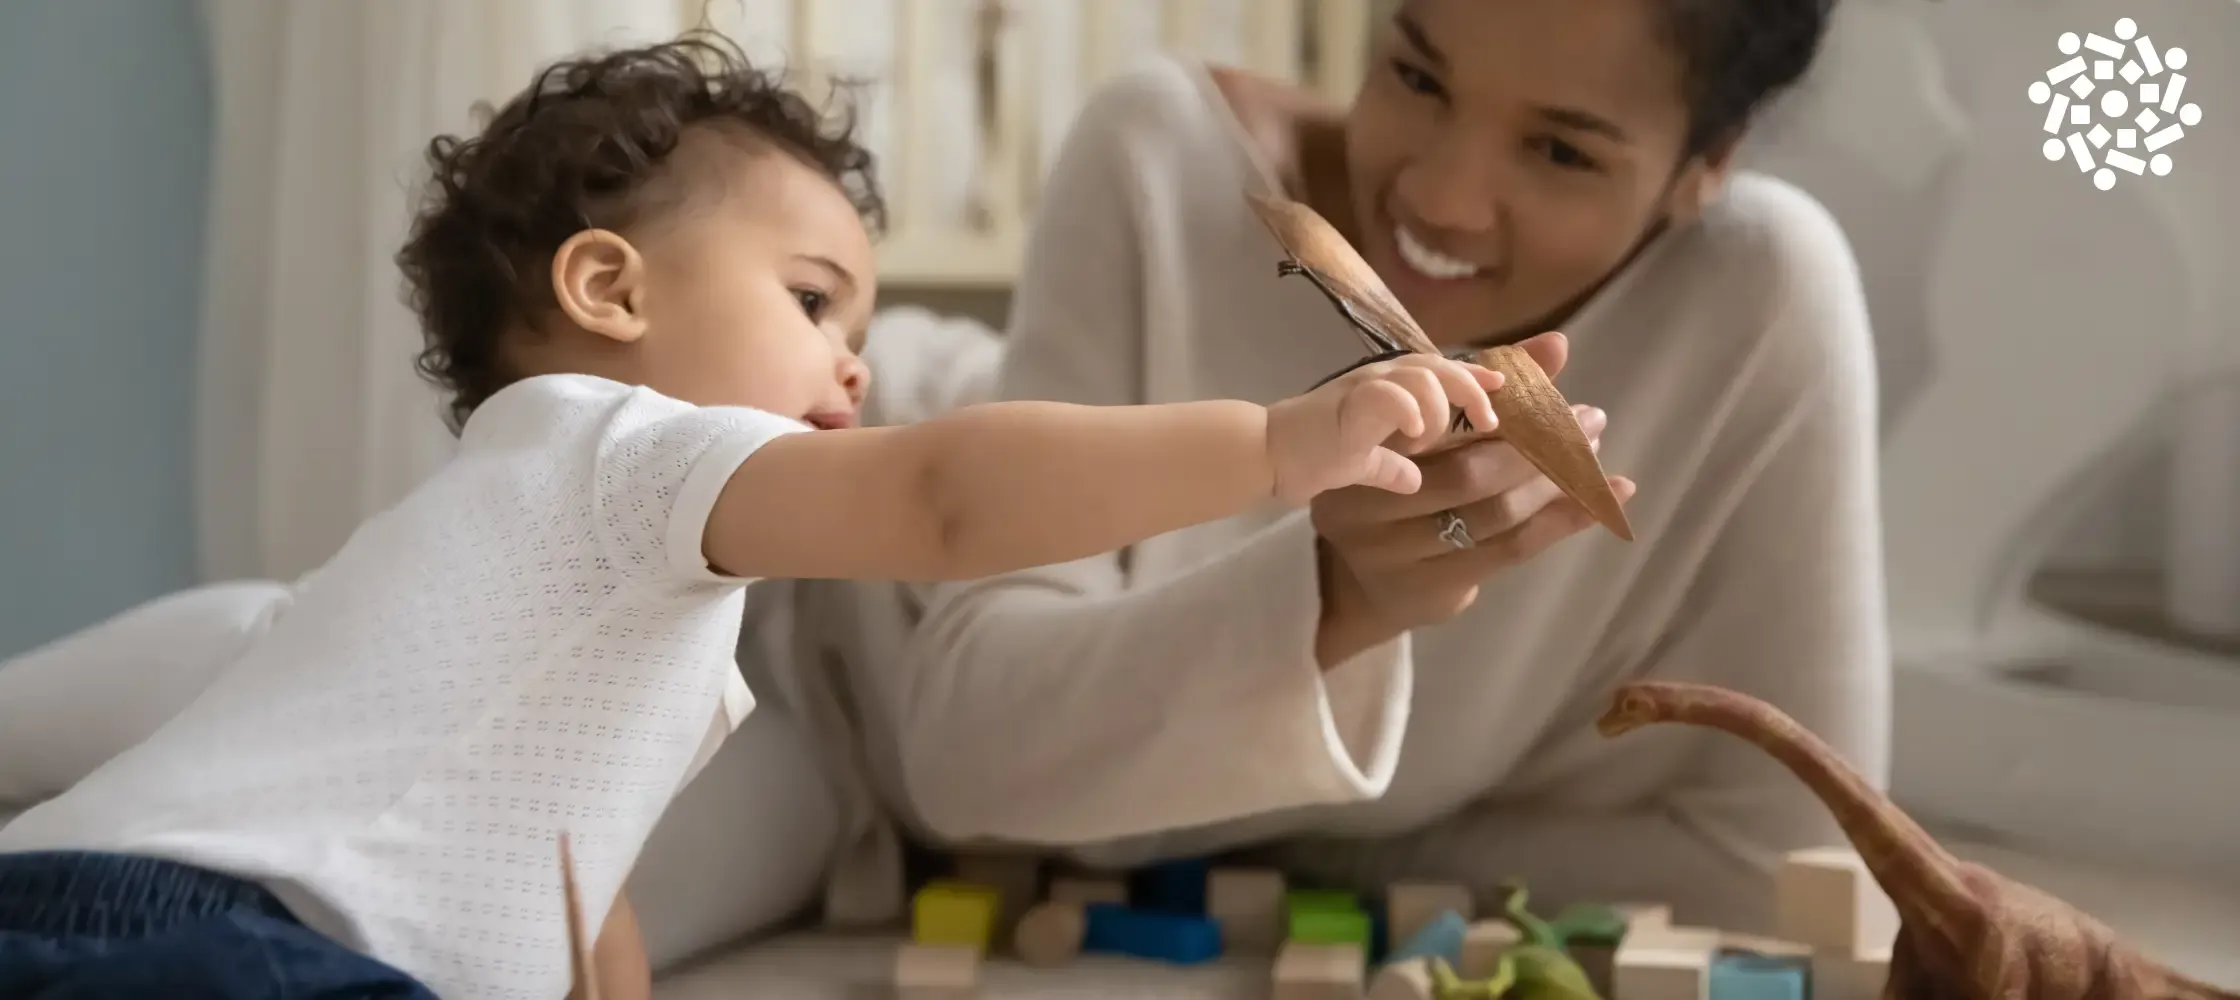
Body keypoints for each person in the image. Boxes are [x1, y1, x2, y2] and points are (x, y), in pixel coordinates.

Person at [0, 37, 1512, 1000]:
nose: (856, 359)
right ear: (609, 290)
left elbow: (580, 894)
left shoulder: (564, 577)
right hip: (202, 938)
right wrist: (1276, 443)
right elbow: (943, 494)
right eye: (811, 301)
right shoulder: (627, 453)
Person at [839, 0, 1888, 933]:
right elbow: (965, 756)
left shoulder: (1757, 296)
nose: (1440, 199)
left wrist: (1259, 844)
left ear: (1706, 165)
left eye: (1561, 152)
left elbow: (1781, 871)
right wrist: (1330, 601)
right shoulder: (1161, 159)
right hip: (822, 584)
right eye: (1417, 75)